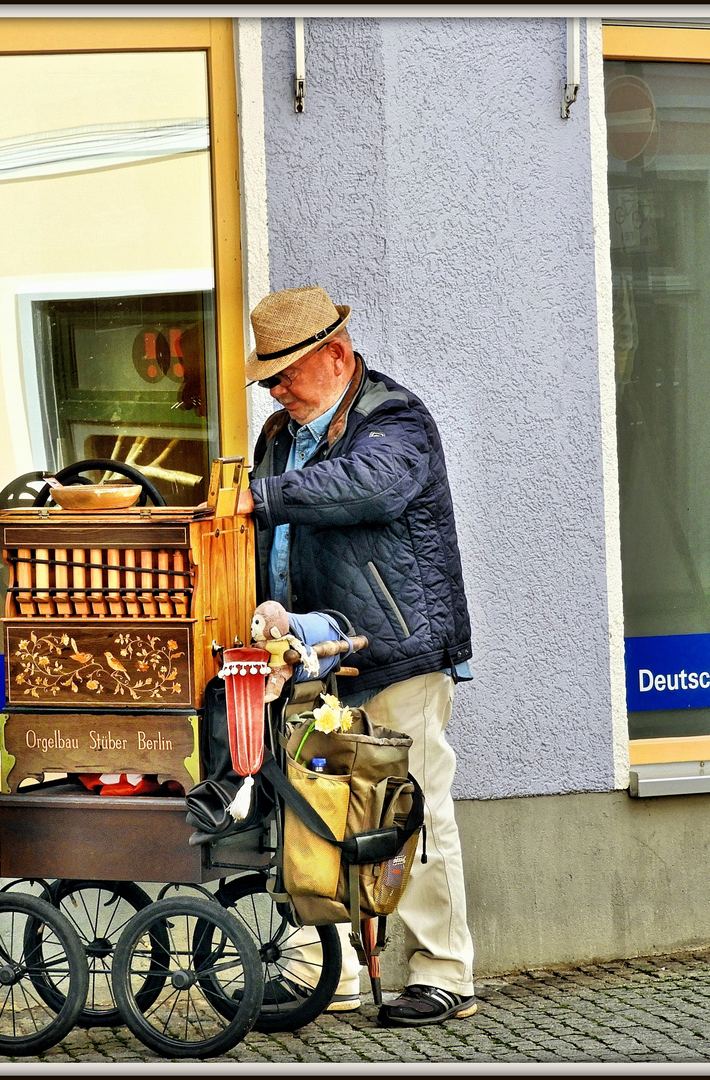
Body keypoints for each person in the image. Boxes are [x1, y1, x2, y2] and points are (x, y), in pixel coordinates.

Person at [236, 285, 478, 1027]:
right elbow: (266, 526)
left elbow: (365, 488)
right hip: (309, 653)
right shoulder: (279, 434)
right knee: (311, 810)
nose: (274, 390)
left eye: (285, 374)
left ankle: (444, 974)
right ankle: (325, 973)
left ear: (334, 356)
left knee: (414, 809)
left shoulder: (393, 417)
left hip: (395, 648)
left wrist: (263, 498)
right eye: (268, 378)